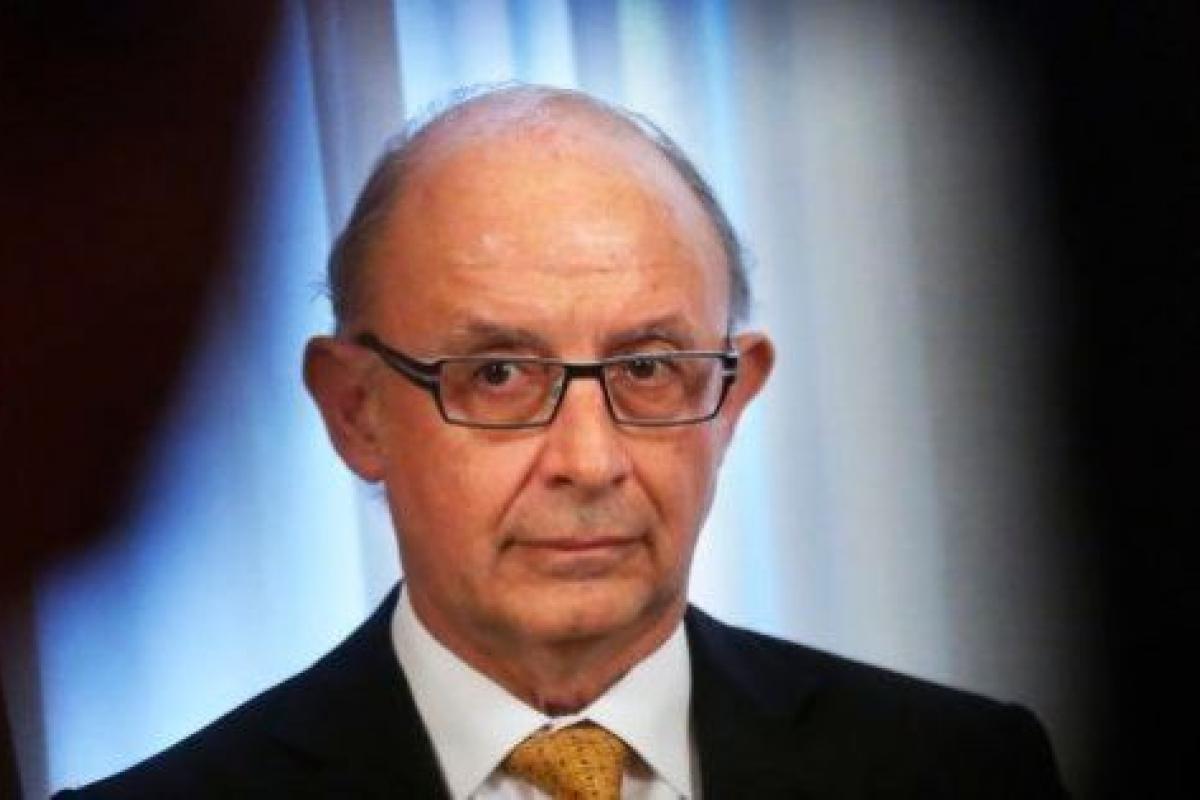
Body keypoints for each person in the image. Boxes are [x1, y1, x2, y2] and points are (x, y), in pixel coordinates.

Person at [57, 84, 1067, 799]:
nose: (590, 461)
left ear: (733, 398)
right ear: (357, 410)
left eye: (649, 368)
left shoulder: (963, 770)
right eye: (499, 374)